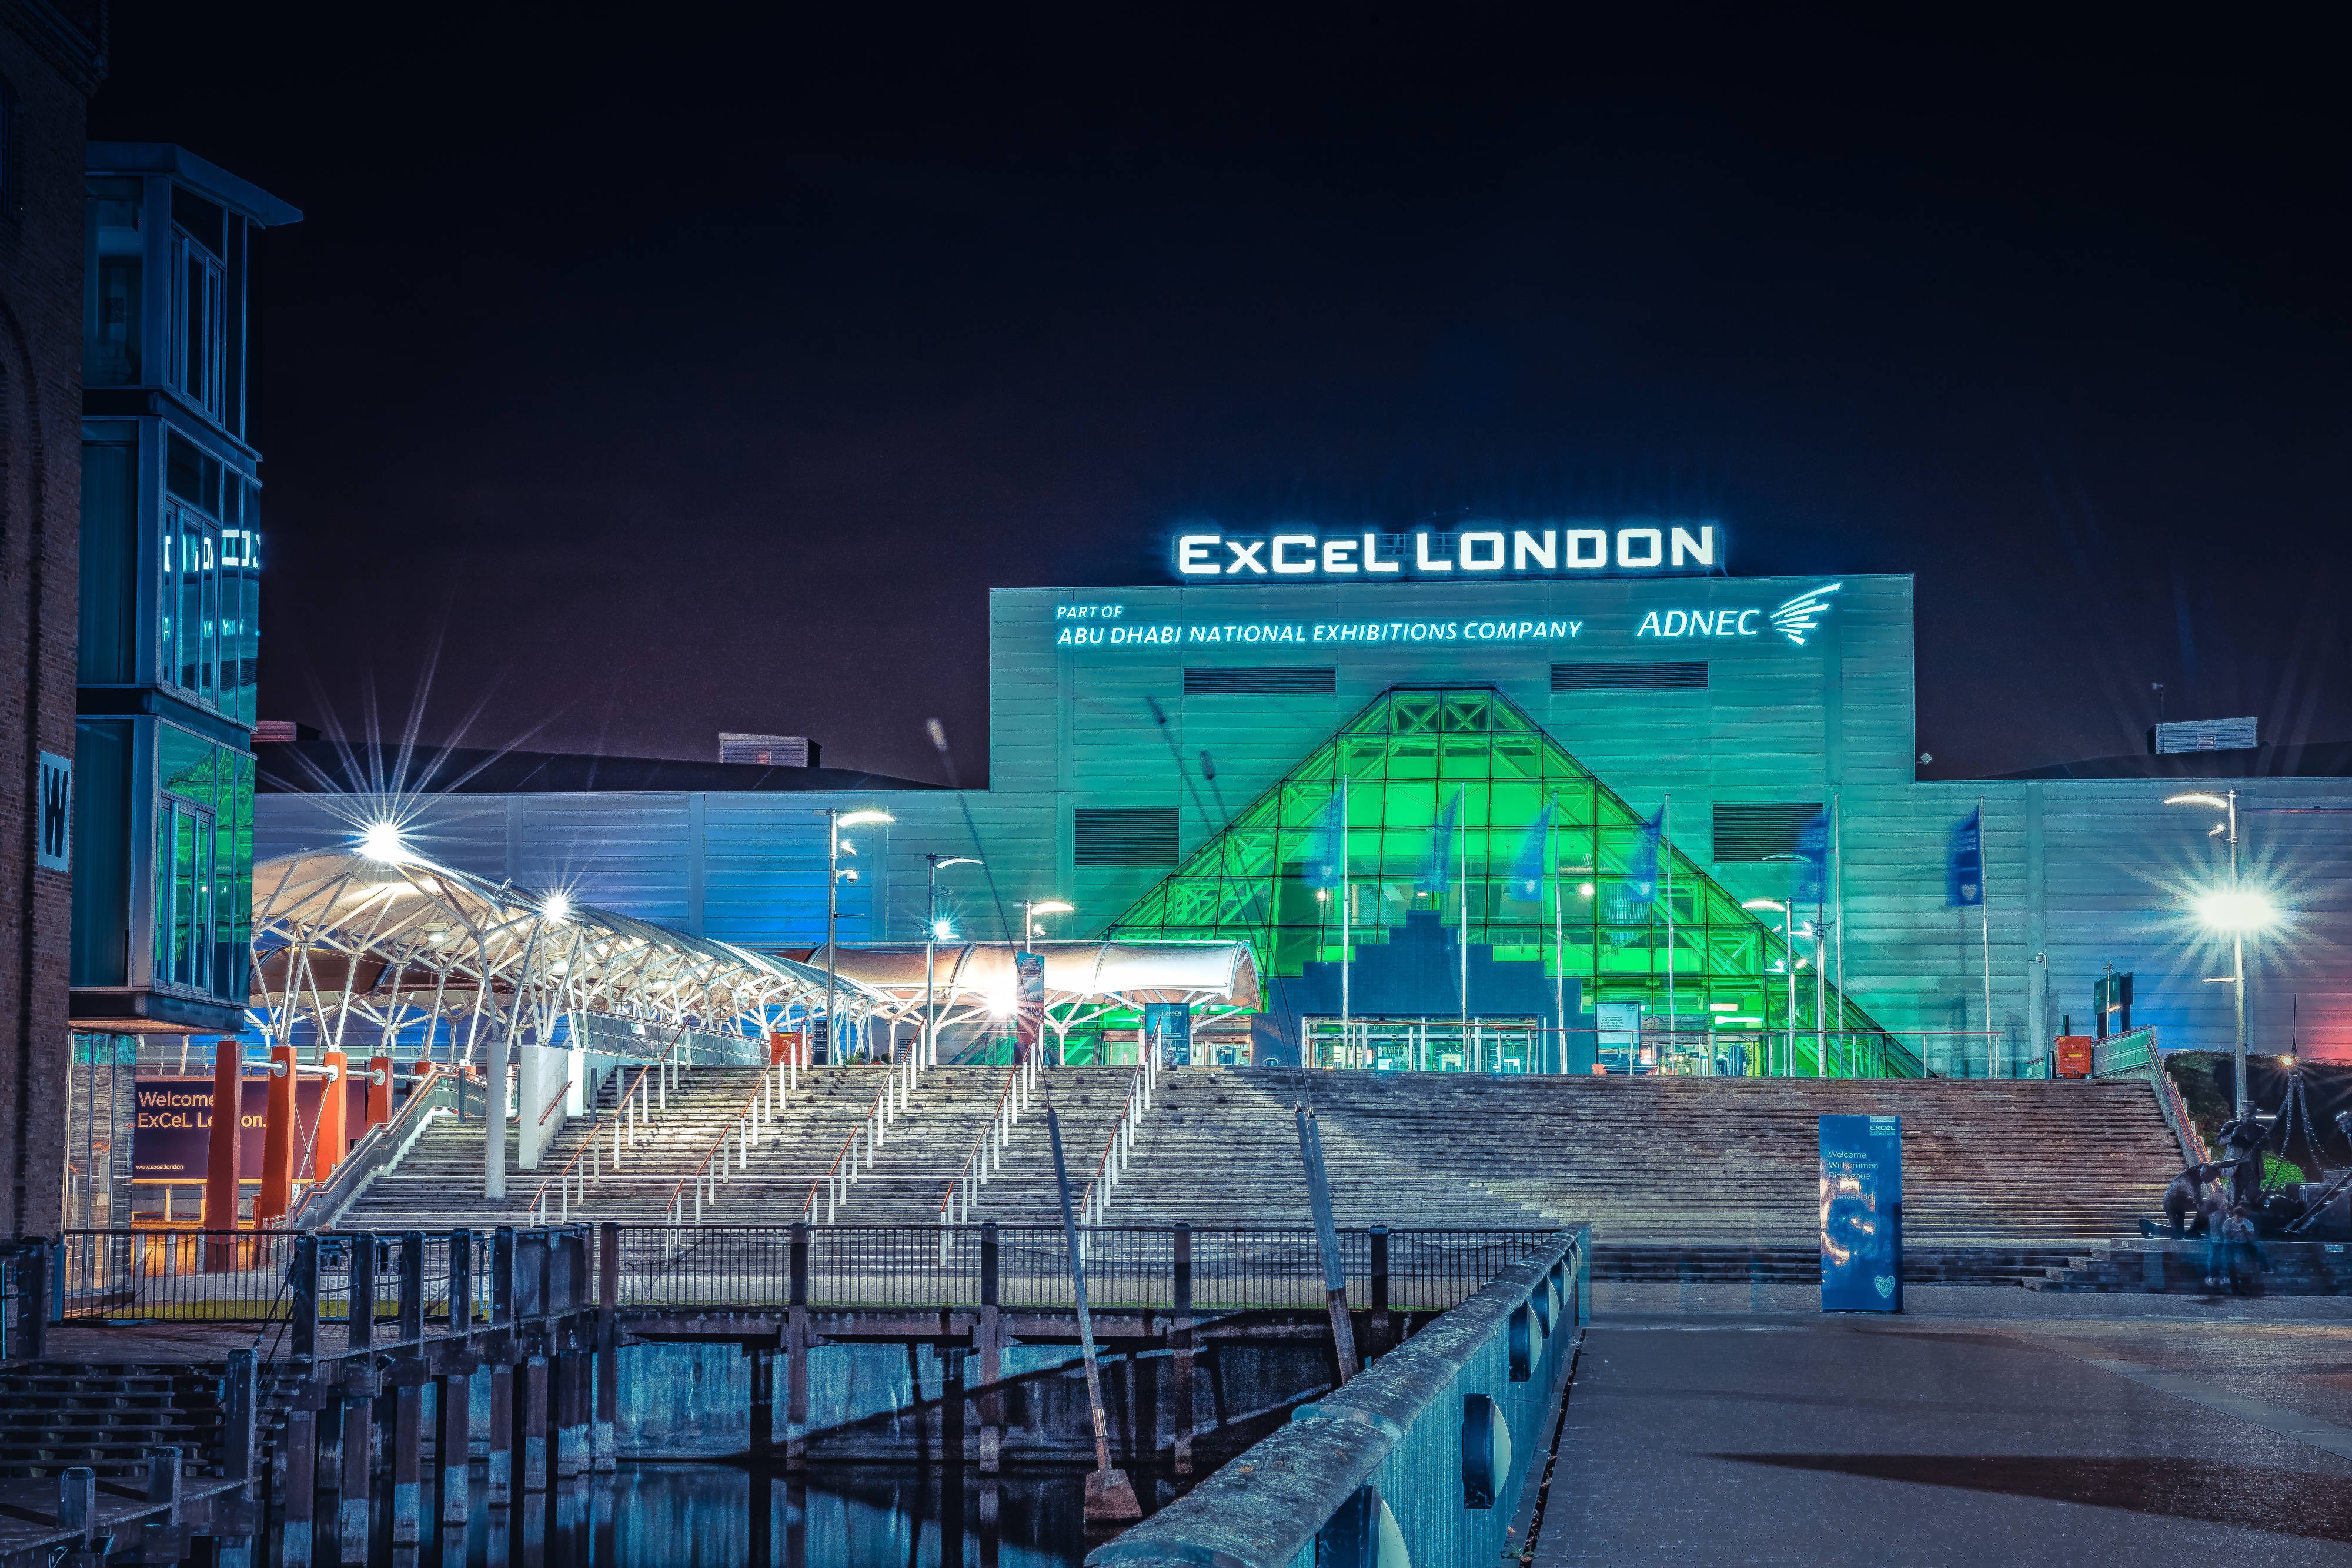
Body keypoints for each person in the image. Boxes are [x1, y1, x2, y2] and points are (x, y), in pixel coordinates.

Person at [2144, 1164, 2215, 1241]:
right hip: (2172, 1205)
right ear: (2204, 1175)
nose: (2212, 1181)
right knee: (2178, 1235)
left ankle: (2194, 1232)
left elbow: (2218, 1164)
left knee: (2208, 1204)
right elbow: (2200, 1205)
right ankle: (2149, 1227)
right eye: (2211, 1178)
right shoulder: (2190, 1183)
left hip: (2181, 1202)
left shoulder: (2198, 1171)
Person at [2220, 1203, 2270, 1295]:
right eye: (2237, 1217)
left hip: (2243, 1244)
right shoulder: (2228, 1222)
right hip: (2230, 1244)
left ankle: (2262, 1269)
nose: (2239, 1219)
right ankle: (2235, 1287)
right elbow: (2227, 1238)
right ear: (2234, 1215)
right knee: (2230, 1263)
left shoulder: (2247, 1223)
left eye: (2241, 1217)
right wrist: (2234, 1233)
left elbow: (2252, 1238)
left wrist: (2246, 1232)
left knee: (2256, 1249)